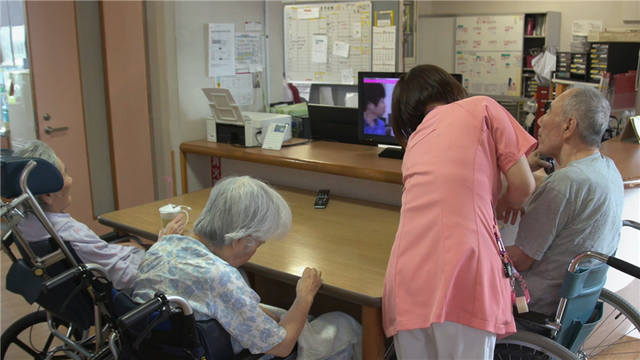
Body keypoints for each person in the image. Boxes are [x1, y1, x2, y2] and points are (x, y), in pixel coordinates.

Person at [383, 64, 536, 359]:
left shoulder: (414, 142)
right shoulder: (481, 107)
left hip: (405, 281)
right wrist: (507, 201)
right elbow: (524, 185)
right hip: (463, 272)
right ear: (449, 88)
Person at [132, 176, 323, 358]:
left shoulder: (159, 247)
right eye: (259, 243)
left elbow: (226, 300)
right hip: (217, 352)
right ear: (240, 241)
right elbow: (282, 347)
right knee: (343, 324)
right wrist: (304, 297)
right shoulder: (221, 277)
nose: (256, 250)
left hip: (151, 351)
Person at [506, 85, 624, 317]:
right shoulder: (608, 170)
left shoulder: (565, 183)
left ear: (569, 126)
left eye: (549, 112)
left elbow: (519, 261)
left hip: (533, 308)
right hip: (571, 307)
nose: (539, 121)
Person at [13, 140, 185, 289]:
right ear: (47, 195)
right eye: (64, 175)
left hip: (101, 270)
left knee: (133, 243)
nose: (71, 180)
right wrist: (163, 245)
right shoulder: (71, 233)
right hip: (135, 282)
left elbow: (96, 254)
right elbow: (127, 278)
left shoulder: (24, 225)